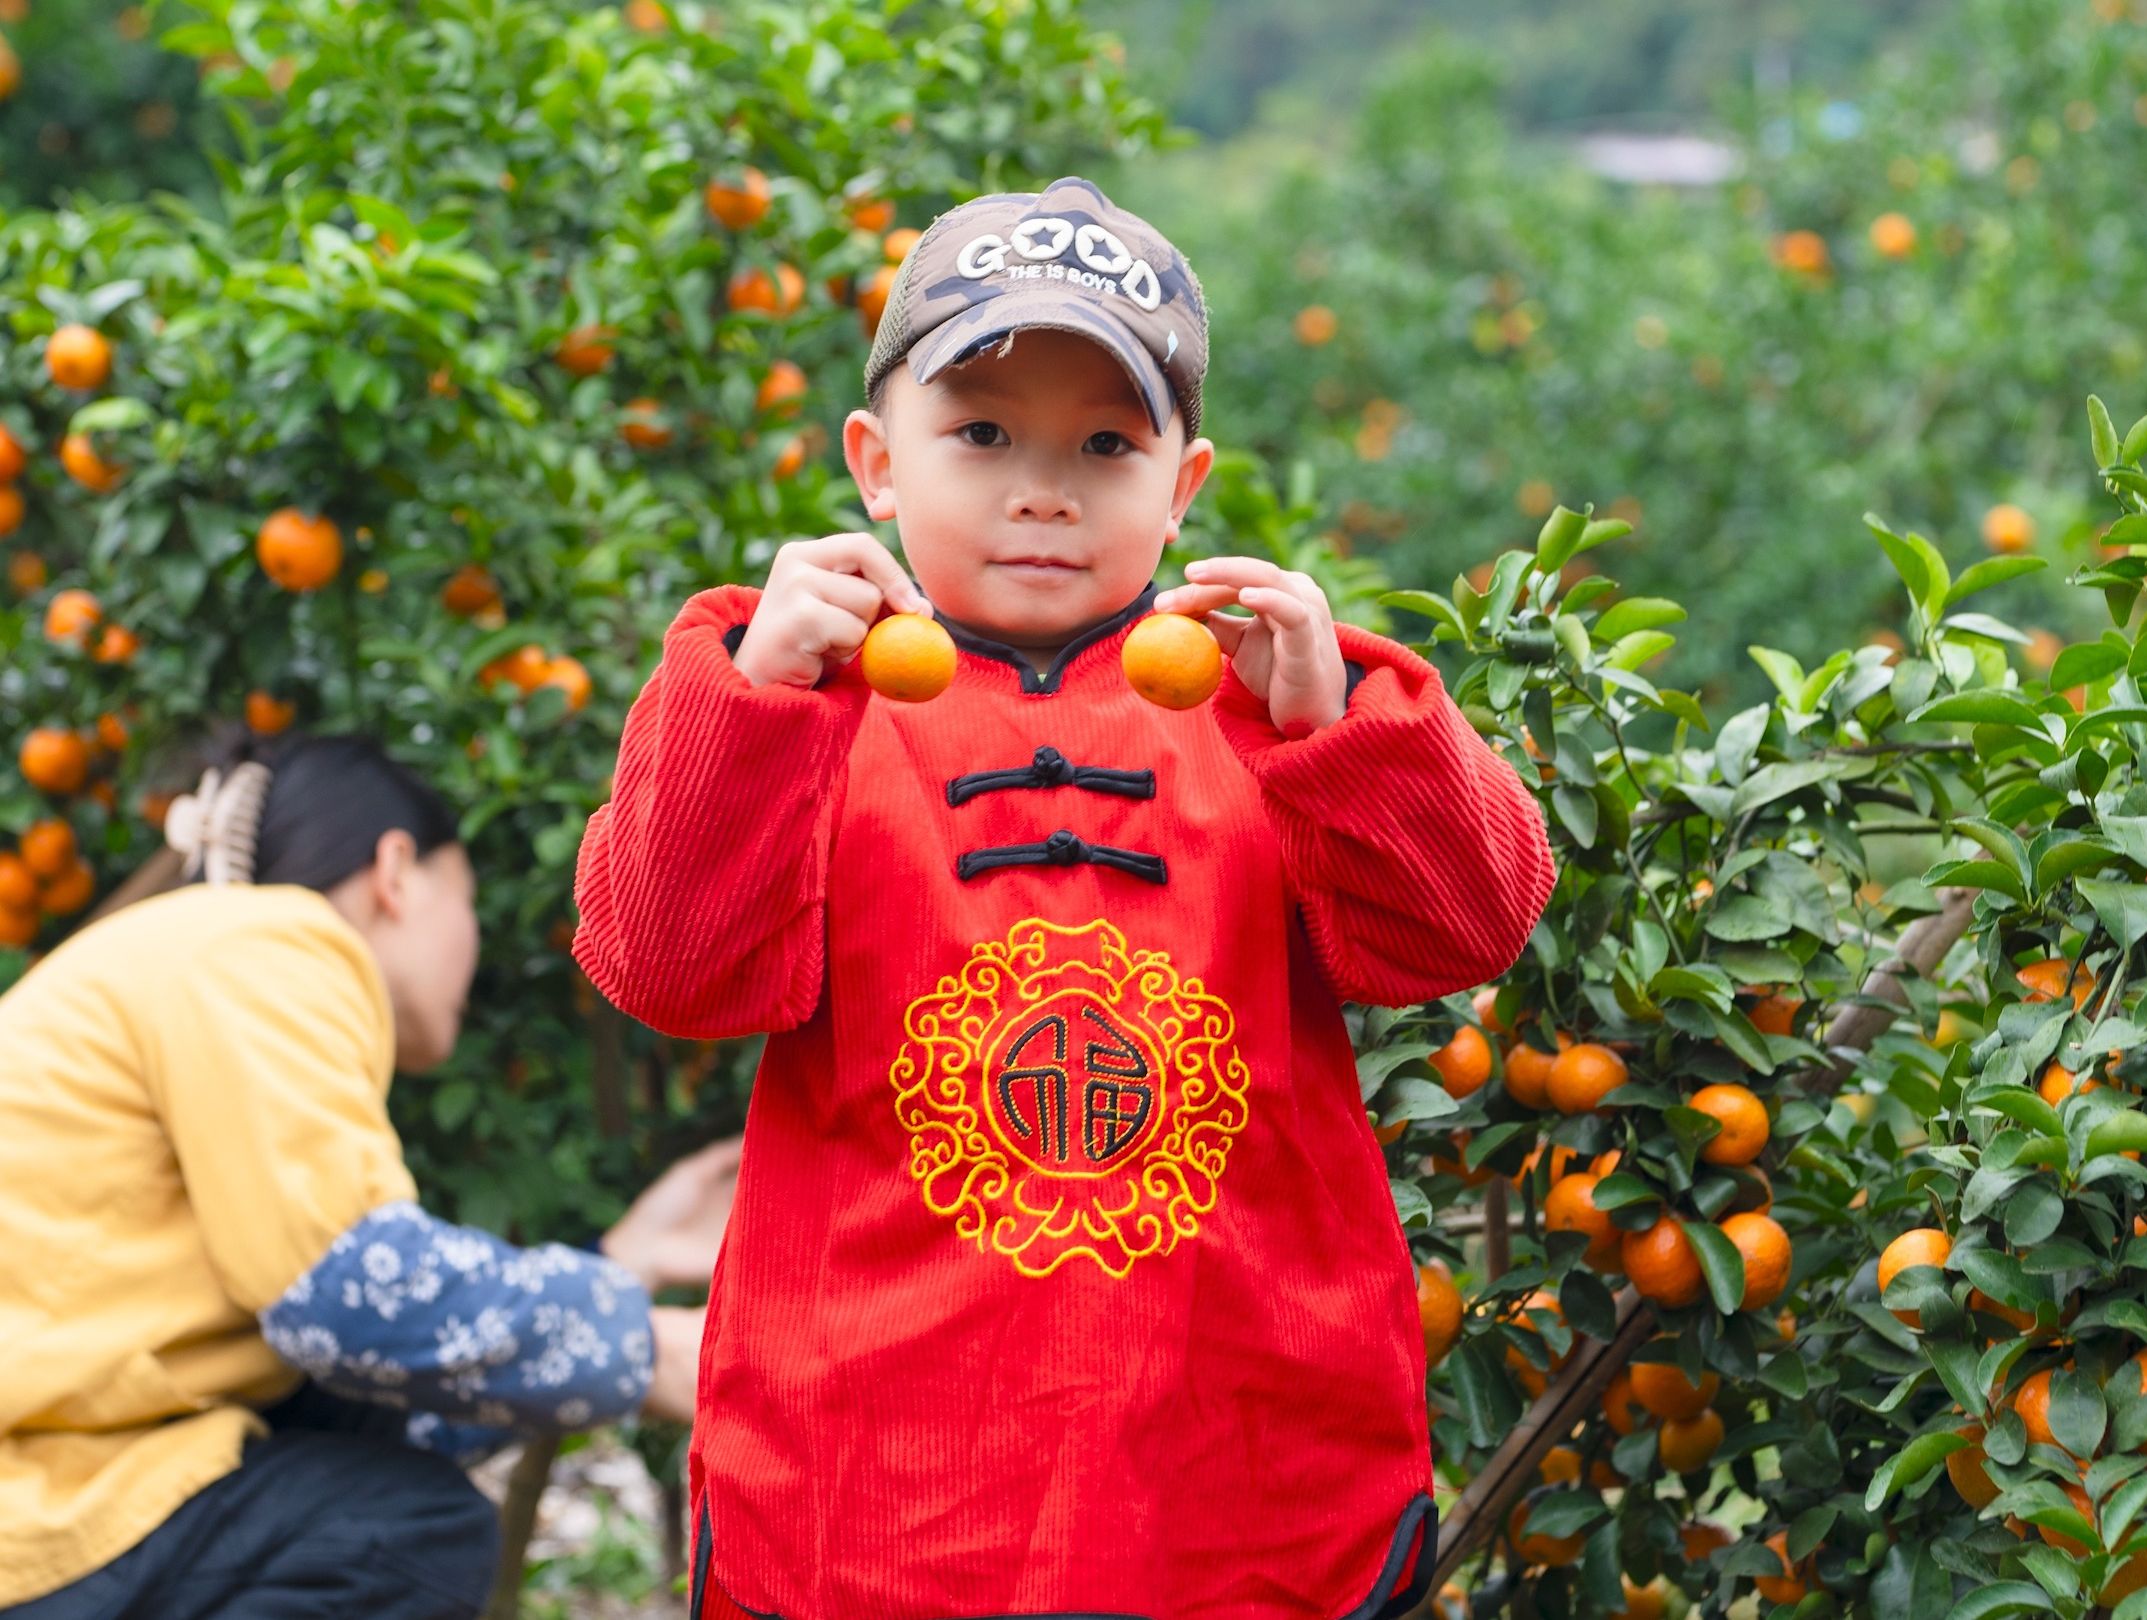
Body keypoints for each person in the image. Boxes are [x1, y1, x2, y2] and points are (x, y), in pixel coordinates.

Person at [572, 176, 1557, 1618]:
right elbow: (668, 969)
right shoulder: (805, 704)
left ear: (1185, 485)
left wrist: (1340, 732)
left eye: (1107, 443)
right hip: (873, 1487)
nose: (1043, 486)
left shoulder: (1266, 703)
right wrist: (749, 701)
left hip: (1236, 1472)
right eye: (980, 434)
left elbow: (1466, 930)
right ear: (876, 464)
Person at [0, 730, 740, 1620]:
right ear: (397, 872)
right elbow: (350, 1300)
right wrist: (655, 1347)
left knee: (383, 1482)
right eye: (466, 901)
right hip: (39, 1519)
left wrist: (626, 1259)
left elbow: (385, 1393)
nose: (472, 948)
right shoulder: (271, 942)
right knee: (410, 1537)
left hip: (61, 1496)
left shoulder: (186, 967)